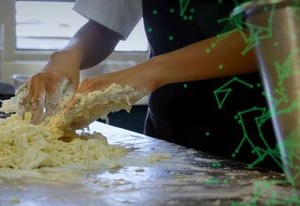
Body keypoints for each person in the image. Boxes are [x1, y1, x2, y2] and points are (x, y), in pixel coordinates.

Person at [21, 0, 280, 171]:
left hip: (267, 136)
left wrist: (148, 73)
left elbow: (278, 33)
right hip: (172, 134)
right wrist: (66, 56)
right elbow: (103, 27)